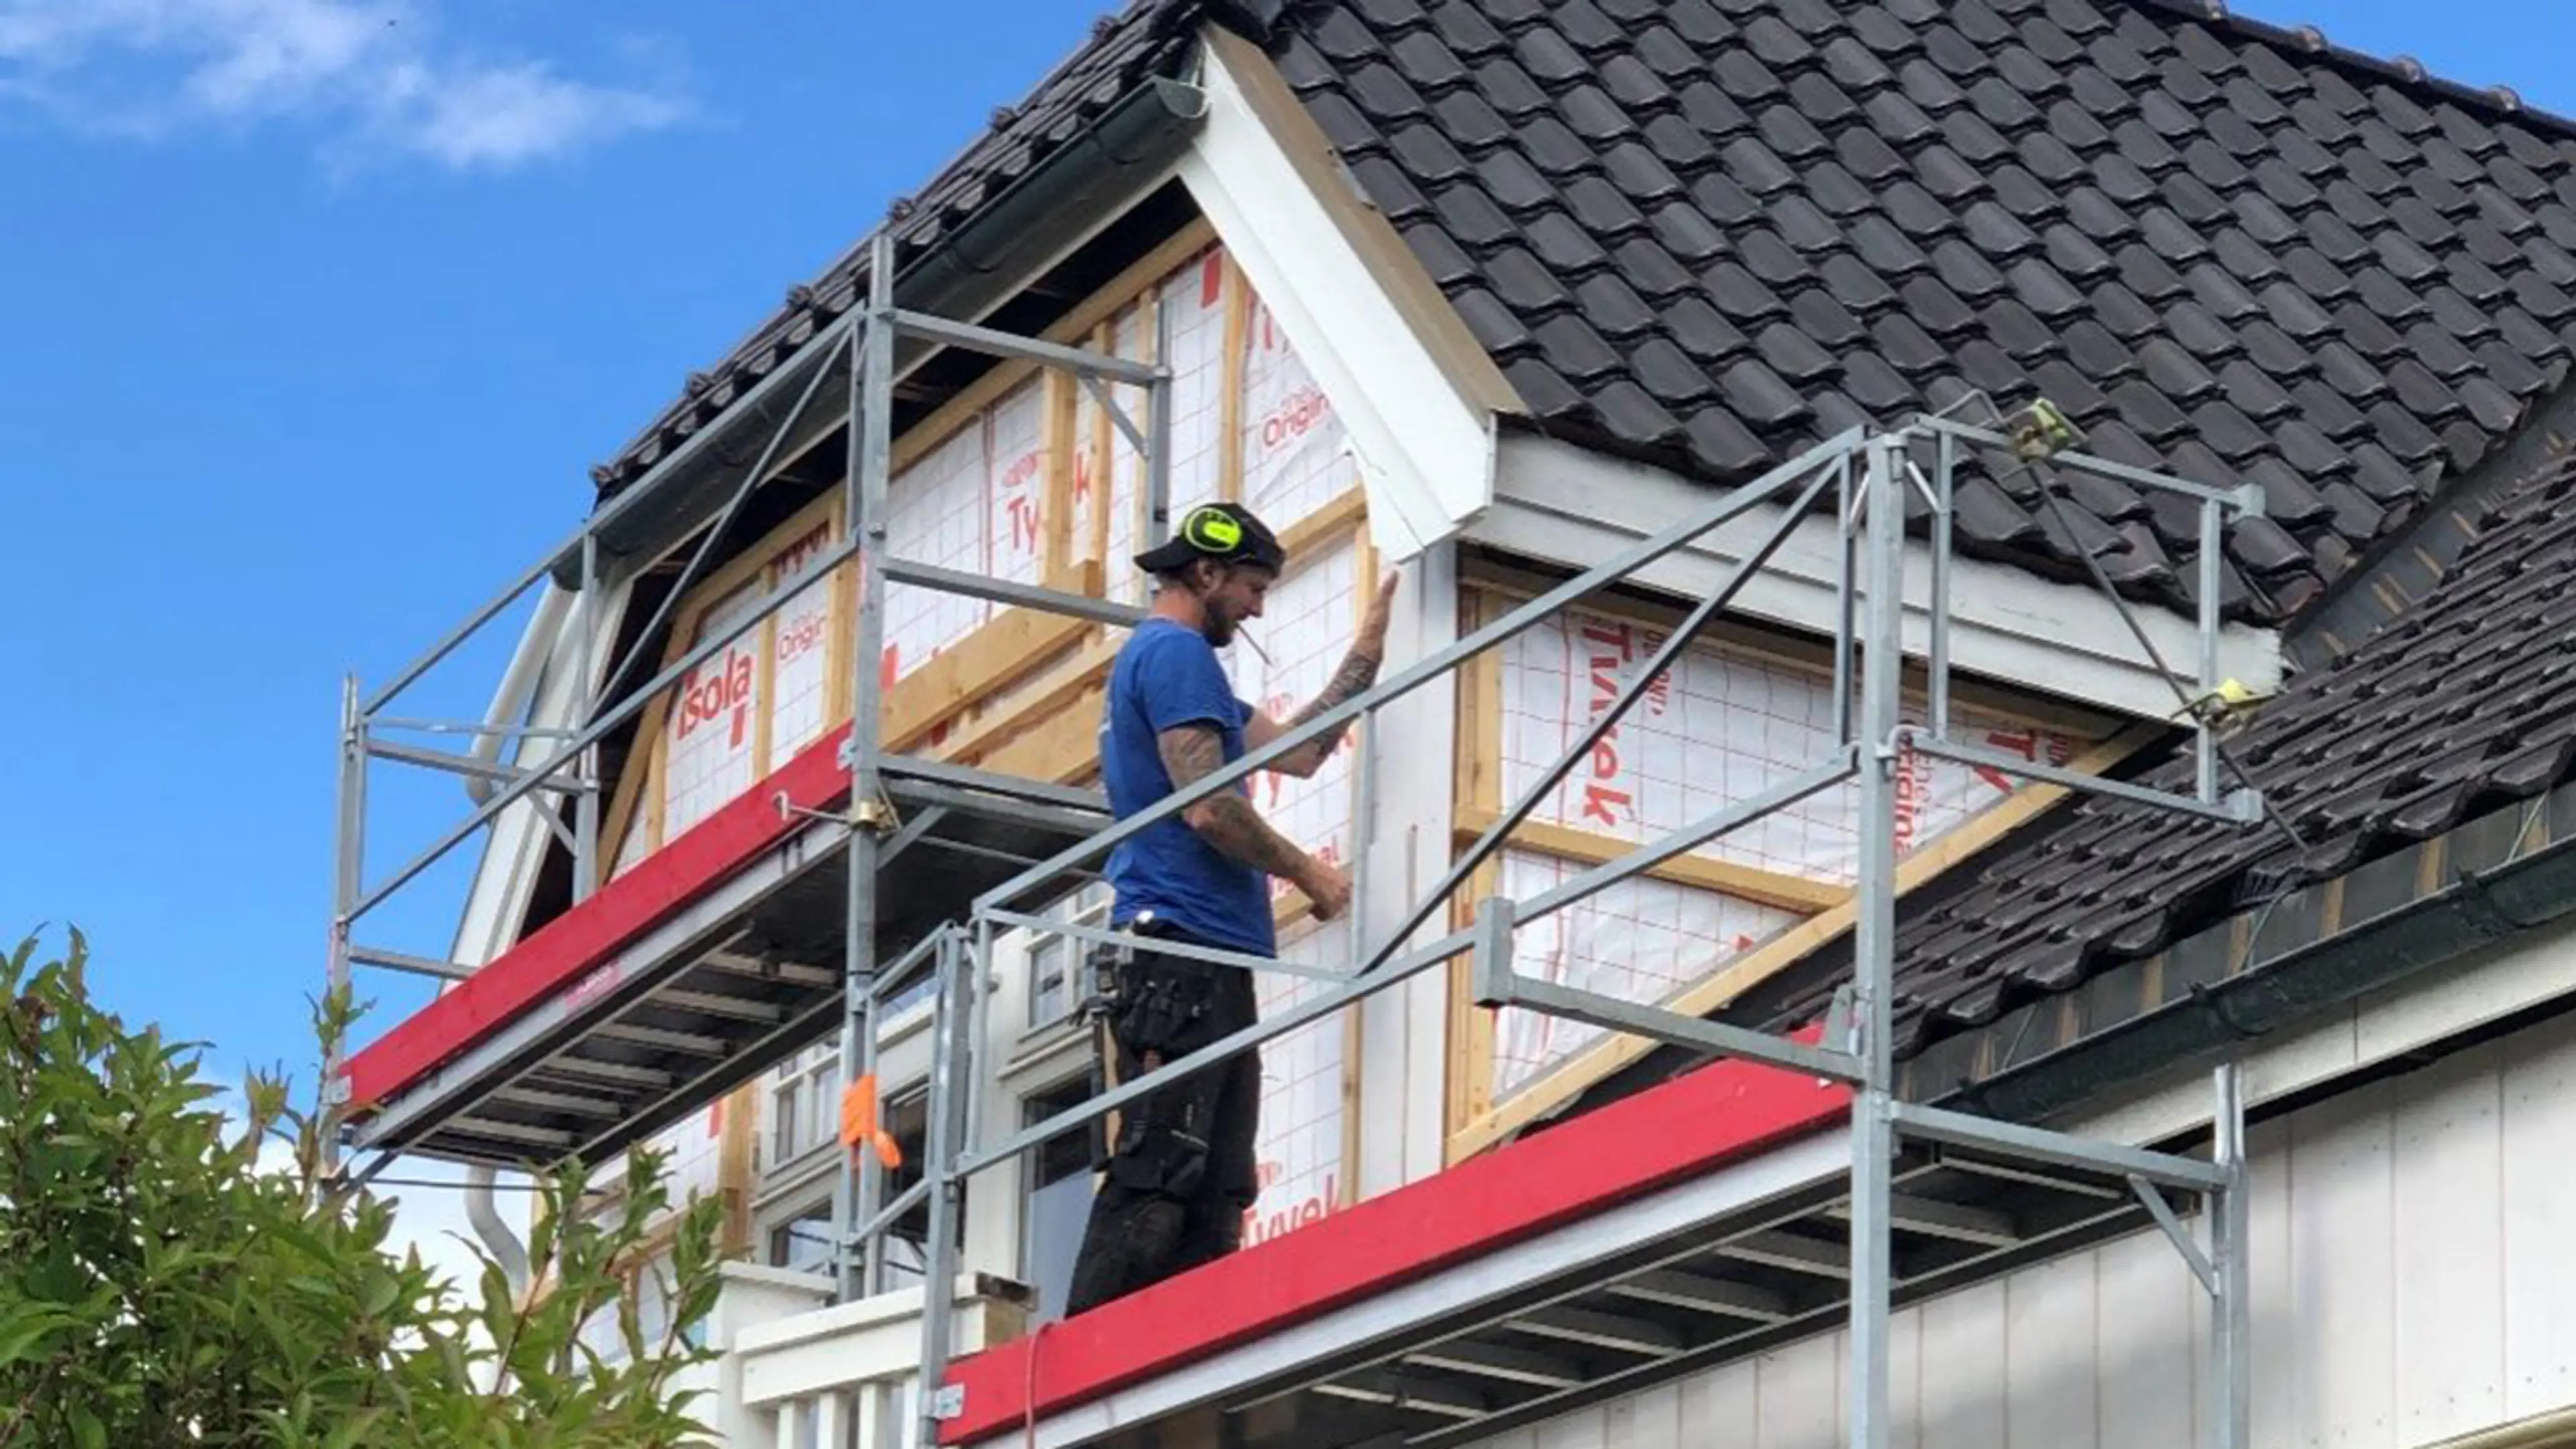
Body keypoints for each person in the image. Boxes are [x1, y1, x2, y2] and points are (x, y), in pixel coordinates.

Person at [1062, 500, 1397, 1314]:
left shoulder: (1176, 666)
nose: (1256, 608)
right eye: (1250, 587)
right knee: (1163, 1169)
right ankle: (1092, 1361)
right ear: (1205, 573)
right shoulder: (1175, 653)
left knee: (1215, 1184)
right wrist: (1312, 878)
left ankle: (1170, 1351)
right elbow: (1209, 807)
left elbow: (1303, 752)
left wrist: (1369, 648)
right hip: (1179, 951)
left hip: (1202, 956)